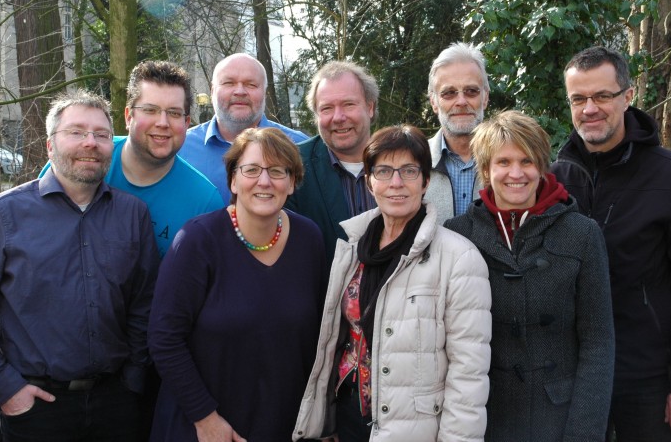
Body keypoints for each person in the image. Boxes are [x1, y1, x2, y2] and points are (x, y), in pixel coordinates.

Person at [0, 91, 159, 442]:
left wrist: (134, 378)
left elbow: (144, 302)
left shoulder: (132, 214)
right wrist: (4, 386)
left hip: (117, 406)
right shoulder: (4, 214)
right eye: (76, 132)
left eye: (101, 134)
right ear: (50, 145)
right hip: (36, 409)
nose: (90, 143)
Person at [552, 46, 671, 441]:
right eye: (579, 99)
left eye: (602, 96)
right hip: (570, 376)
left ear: (628, 96)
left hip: (647, 378)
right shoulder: (554, 179)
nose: (590, 108)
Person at [294, 125, 492, 442]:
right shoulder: (352, 248)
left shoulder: (458, 258)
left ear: (426, 180)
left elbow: (469, 373)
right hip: (350, 419)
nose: (396, 183)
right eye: (384, 171)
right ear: (370, 182)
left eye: (409, 171)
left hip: (413, 429)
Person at [149, 127, 328, 442]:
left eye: (277, 171)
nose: (264, 181)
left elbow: (319, 338)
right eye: (252, 169)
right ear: (233, 180)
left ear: (292, 182)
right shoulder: (197, 240)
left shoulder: (309, 238)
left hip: (283, 425)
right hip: (203, 427)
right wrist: (206, 419)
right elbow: (164, 338)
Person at [444, 110, 614, 441]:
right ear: (486, 170)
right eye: (503, 162)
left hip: (561, 418)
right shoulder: (457, 235)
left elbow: (598, 342)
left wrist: (583, 432)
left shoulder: (582, 233)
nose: (516, 173)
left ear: (541, 165)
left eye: (527, 161)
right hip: (483, 420)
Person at [40, 60, 223, 257]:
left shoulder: (204, 202)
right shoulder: (80, 161)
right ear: (129, 117)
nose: (162, 122)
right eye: (150, 110)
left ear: (187, 122)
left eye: (174, 113)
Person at [178, 53, 308, 204]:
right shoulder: (180, 147)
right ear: (212, 91)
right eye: (229, 83)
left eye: (251, 84)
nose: (240, 91)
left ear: (264, 93)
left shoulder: (300, 147)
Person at [285, 61, 379, 266]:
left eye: (348, 104)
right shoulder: (292, 167)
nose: (338, 117)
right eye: (327, 108)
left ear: (370, 107)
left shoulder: (400, 162)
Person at [425, 42, 489, 221]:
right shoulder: (413, 163)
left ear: (485, 98)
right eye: (449, 93)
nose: (461, 101)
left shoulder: (514, 165)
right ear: (434, 102)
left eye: (471, 91)